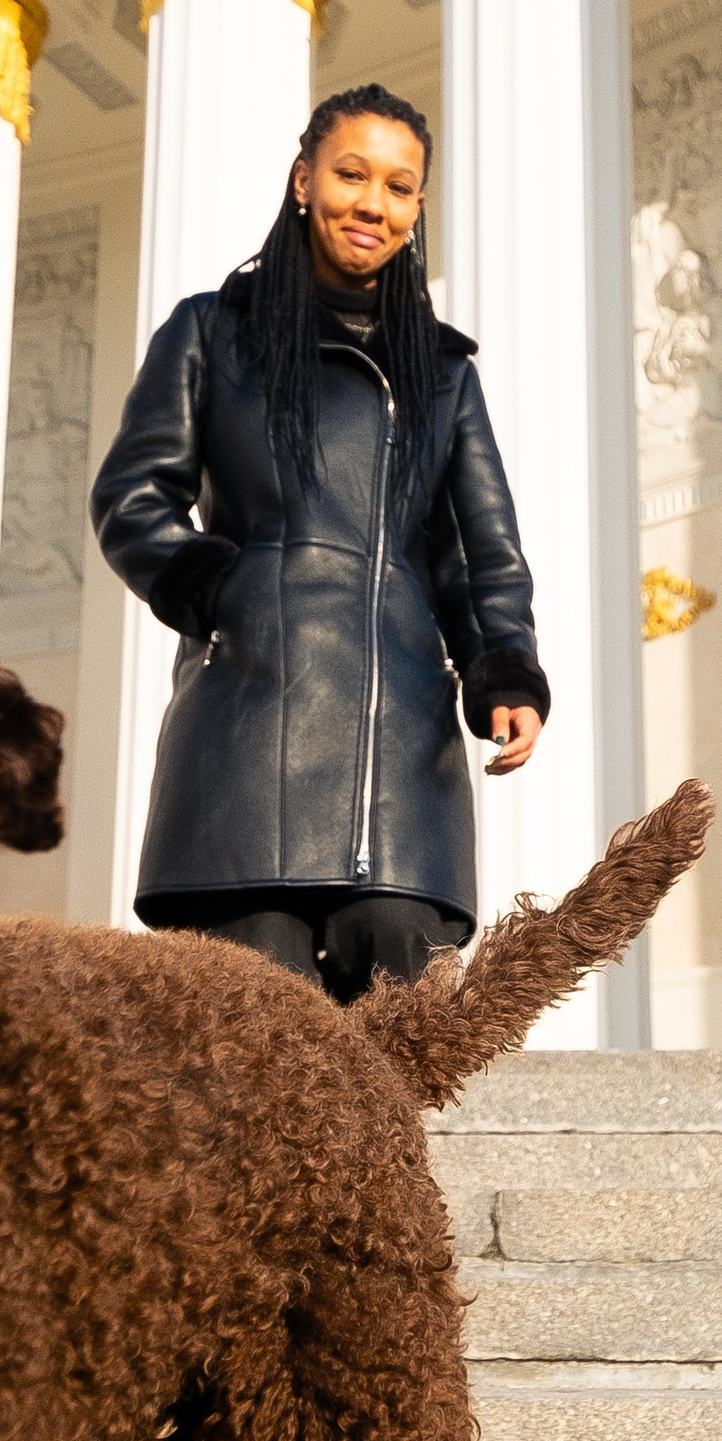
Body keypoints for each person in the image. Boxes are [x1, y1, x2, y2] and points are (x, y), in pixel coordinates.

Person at [91, 83, 550, 1002]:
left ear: (417, 208)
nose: (373, 203)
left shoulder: (444, 374)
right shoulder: (210, 332)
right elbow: (133, 498)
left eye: (399, 187)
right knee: (248, 1027)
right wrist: (221, 588)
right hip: (246, 728)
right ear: (304, 180)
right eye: (351, 175)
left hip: (398, 752)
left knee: (403, 1025)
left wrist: (504, 668)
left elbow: (478, 550)